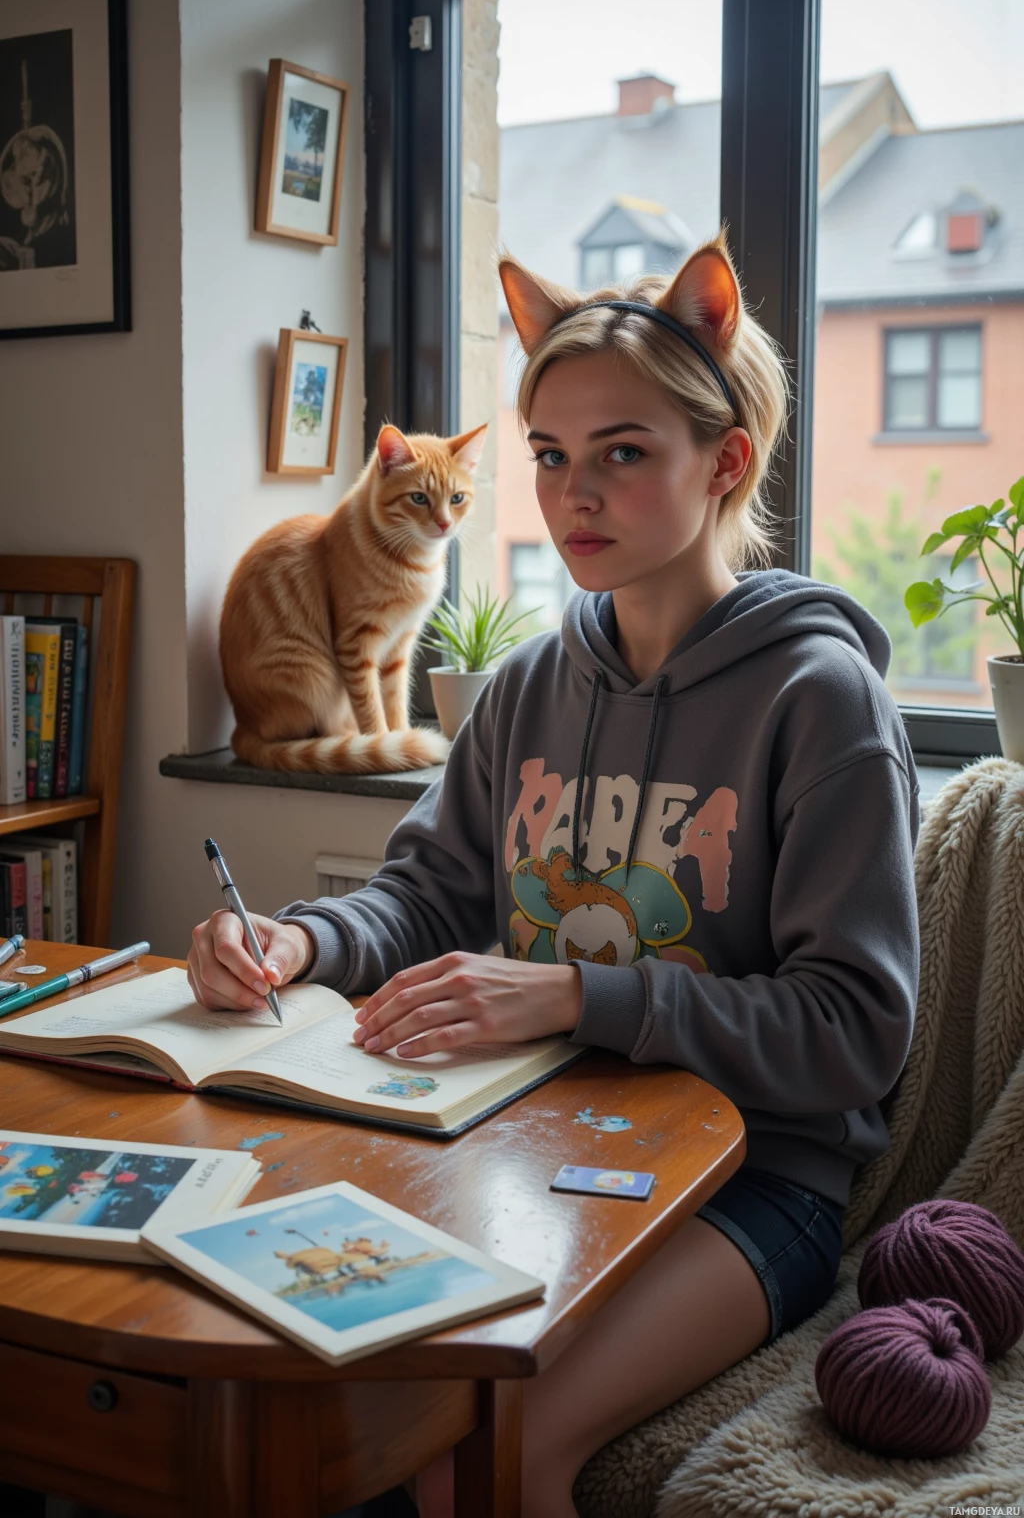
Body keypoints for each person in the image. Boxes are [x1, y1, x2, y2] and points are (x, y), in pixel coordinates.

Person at [188, 232, 920, 1518]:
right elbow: (425, 896)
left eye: (621, 453)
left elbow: (854, 1030)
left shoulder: (821, 698)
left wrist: (582, 997)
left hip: (756, 1183)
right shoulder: (529, 682)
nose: (572, 493)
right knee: (298, 1398)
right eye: (547, 454)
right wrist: (296, 942)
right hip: (525, 1146)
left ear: (724, 461)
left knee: (482, 1452)